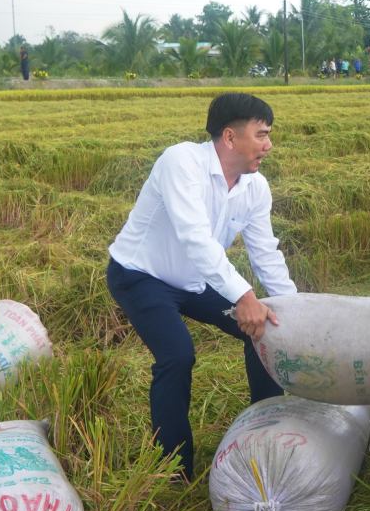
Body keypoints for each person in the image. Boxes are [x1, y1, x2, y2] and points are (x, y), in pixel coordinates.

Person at [106, 92, 296, 480]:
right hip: (143, 275)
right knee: (177, 355)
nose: (268, 145)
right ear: (230, 137)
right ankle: (173, 471)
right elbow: (195, 238)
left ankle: (265, 438)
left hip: (196, 279)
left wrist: (294, 311)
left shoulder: (255, 186)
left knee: (267, 331)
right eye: (261, 134)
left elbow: (266, 252)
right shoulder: (181, 162)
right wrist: (243, 296)